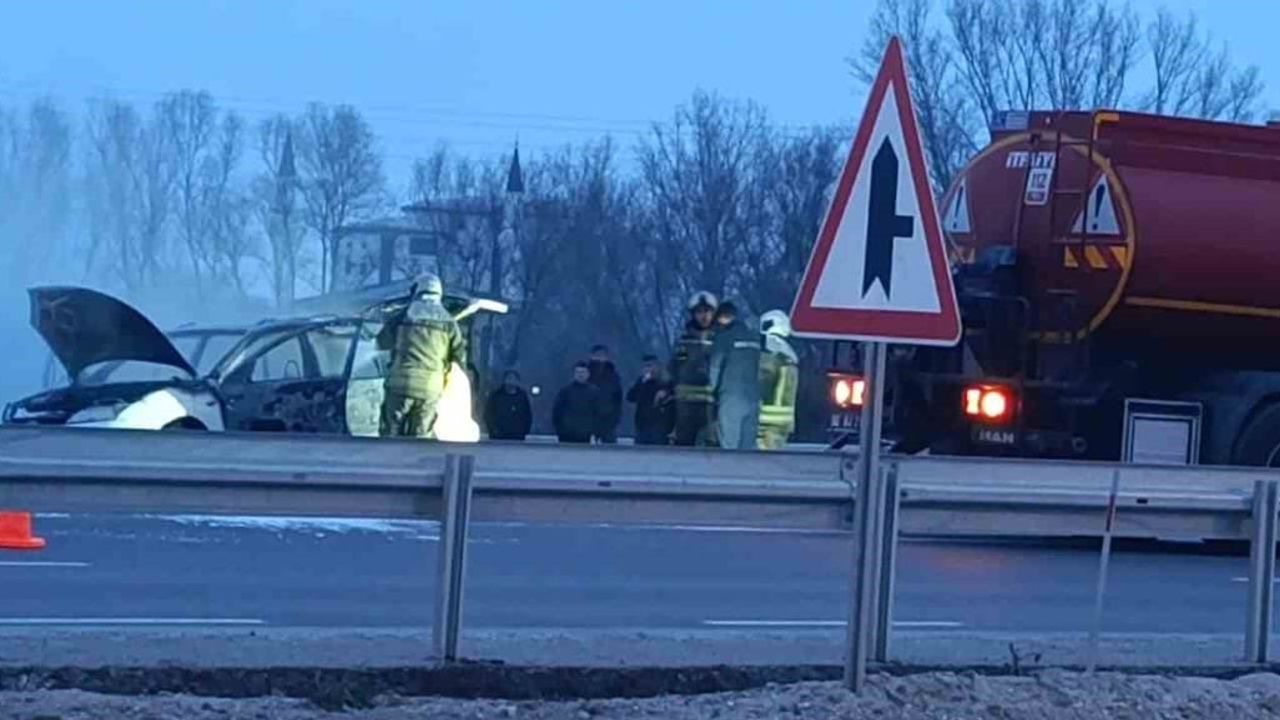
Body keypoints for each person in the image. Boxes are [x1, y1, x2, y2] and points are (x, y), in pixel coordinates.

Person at [377, 272, 466, 439]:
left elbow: (382, 342)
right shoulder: (449, 322)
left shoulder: (403, 315)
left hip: (399, 385)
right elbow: (459, 357)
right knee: (421, 438)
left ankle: (388, 462)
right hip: (430, 388)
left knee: (390, 434)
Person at [709, 300, 762, 450]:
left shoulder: (724, 338)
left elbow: (715, 367)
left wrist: (712, 392)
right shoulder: (754, 337)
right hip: (753, 398)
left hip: (731, 397)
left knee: (729, 446)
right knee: (748, 447)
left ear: (721, 318)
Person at [670, 291, 719, 446]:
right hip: (685, 406)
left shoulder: (721, 339)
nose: (703, 316)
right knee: (683, 445)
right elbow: (673, 368)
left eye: (708, 312)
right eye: (699, 312)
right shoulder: (684, 340)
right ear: (693, 314)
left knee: (714, 446)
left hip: (714, 407)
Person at [757, 310, 800, 450]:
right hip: (783, 423)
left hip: (764, 422)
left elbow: (762, 382)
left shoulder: (770, 348)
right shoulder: (790, 354)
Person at [627, 354, 675, 445]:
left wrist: (665, 394)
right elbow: (630, 397)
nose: (648, 369)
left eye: (650, 366)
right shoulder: (641, 382)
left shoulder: (666, 382)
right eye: (645, 367)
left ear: (657, 366)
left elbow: (672, 400)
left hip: (660, 427)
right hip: (642, 425)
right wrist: (642, 383)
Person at [553, 362, 599, 444]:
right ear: (574, 374)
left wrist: (595, 432)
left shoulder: (594, 392)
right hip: (567, 435)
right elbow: (557, 412)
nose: (580, 375)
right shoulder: (565, 391)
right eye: (578, 372)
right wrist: (560, 431)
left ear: (588, 374)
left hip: (586, 435)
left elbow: (598, 413)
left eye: (583, 372)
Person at [587, 344, 623, 444]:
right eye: (597, 355)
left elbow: (618, 399)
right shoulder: (585, 374)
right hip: (587, 421)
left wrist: (615, 419)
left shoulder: (613, 376)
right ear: (591, 356)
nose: (599, 358)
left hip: (608, 422)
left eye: (602, 355)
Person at [485, 369, 533, 441]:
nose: (511, 381)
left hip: (518, 437)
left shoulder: (522, 396)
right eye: (509, 378)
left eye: (513, 379)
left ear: (517, 381)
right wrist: (493, 430)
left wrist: (525, 431)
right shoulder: (496, 396)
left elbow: (527, 415)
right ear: (504, 380)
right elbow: (488, 414)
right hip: (498, 437)